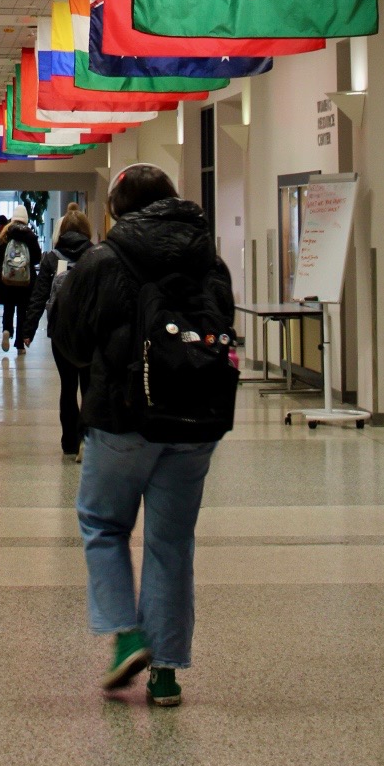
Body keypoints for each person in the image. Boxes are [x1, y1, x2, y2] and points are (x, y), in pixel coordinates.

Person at [51, 164, 238, 708]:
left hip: (121, 419)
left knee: (102, 523)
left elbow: (71, 341)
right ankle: (166, 675)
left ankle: (126, 636)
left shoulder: (103, 260)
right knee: (171, 542)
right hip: (195, 419)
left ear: (118, 209)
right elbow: (222, 325)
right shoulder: (211, 261)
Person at [22, 204, 94, 457]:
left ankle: (69, 442)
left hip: (61, 331)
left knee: (67, 385)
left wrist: (28, 330)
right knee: (89, 385)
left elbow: (39, 296)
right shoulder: (96, 255)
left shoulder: (51, 258)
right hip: (90, 332)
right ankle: (88, 438)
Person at [0, 207, 41, 354]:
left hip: (7, 280)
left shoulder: (4, 234)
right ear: (26, 219)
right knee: (22, 311)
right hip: (25, 281)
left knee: (8, 308)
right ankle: (20, 344)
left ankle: (6, 330)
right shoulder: (30, 236)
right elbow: (36, 259)